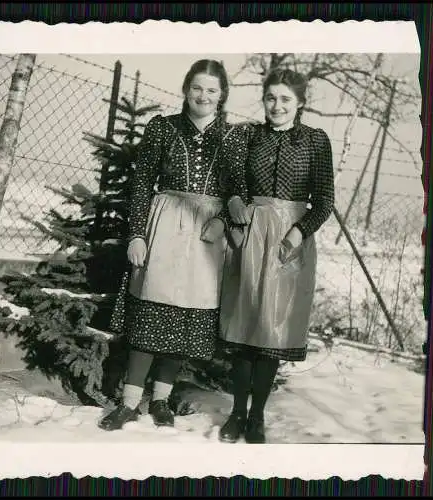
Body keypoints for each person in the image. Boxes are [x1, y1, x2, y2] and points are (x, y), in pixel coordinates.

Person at [98, 59, 249, 432]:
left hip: (206, 237)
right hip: (163, 225)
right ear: (185, 89)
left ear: (222, 95)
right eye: (197, 88)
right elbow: (142, 183)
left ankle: (161, 400)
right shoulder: (162, 128)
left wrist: (223, 221)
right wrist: (136, 234)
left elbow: (240, 192)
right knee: (152, 310)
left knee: (185, 317)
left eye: (212, 90)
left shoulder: (233, 137)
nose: (203, 96)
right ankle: (130, 403)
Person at [218, 68, 335, 444]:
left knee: (271, 328)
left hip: (290, 239)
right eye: (271, 97)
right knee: (244, 322)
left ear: (300, 102)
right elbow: (232, 180)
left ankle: (257, 417)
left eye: (285, 99)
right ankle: (236, 414)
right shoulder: (249, 135)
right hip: (251, 234)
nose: (277, 106)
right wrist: (235, 199)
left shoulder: (315, 141)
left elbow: (325, 200)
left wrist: (299, 230)